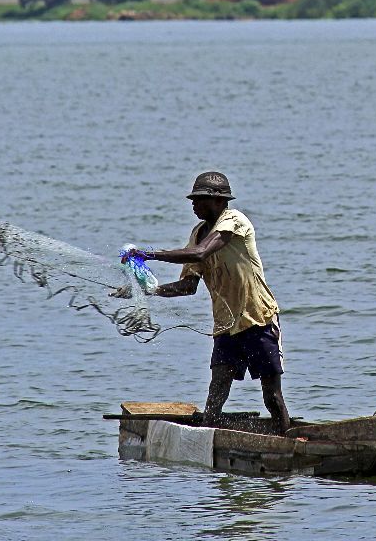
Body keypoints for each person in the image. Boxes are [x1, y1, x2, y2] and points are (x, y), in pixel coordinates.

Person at [120, 171, 290, 433]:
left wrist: (149, 254)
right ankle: (214, 443)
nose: (193, 204)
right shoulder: (198, 233)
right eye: (193, 199)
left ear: (219, 201)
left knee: (272, 397)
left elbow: (201, 253)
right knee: (215, 397)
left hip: (259, 319)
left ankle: (285, 443)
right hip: (226, 327)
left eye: (199, 199)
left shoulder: (234, 221)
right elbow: (188, 286)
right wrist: (146, 290)